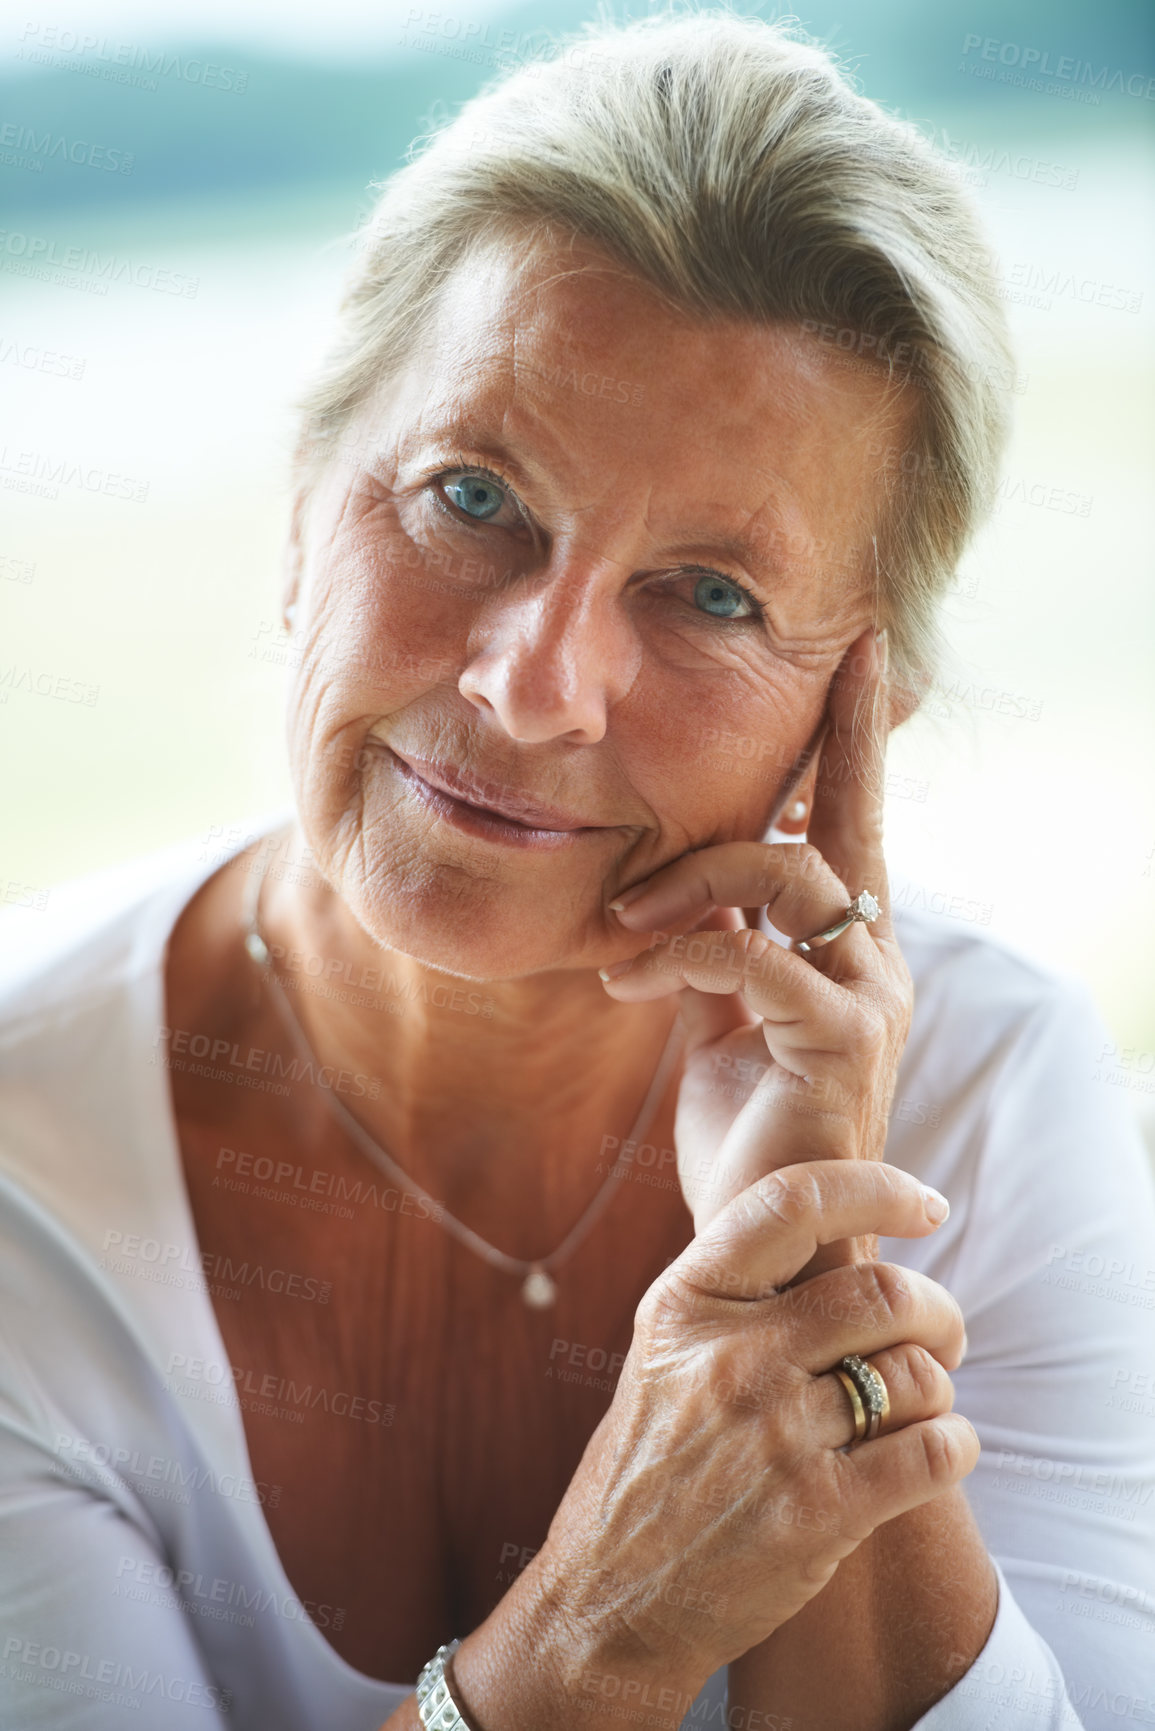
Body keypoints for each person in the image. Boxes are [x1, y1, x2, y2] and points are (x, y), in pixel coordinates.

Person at [1, 12, 1152, 1731]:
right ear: (303, 510)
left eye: (710, 597)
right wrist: (597, 1631)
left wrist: (812, 1264)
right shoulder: (26, 1168)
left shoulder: (991, 1092)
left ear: (861, 711)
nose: (533, 686)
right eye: (473, 494)